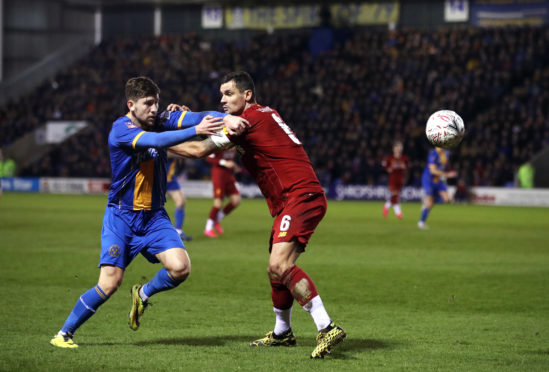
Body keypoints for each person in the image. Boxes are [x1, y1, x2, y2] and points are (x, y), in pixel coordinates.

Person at [50, 76, 248, 348]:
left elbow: (198, 117)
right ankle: (64, 333)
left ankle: (143, 293)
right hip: (121, 217)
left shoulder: (160, 119)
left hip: (154, 217)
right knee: (109, 283)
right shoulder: (121, 129)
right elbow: (161, 139)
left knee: (181, 268)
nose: (154, 109)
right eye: (147, 103)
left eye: (156, 102)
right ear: (131, 104)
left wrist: (226, 121)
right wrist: (197, 129)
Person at [170, 71, 346, 359]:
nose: (222, 100)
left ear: (247, 95)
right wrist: (190, 118)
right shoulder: (258, 116)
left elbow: (198, 150)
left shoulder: (249, 121)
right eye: (221, 94)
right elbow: (210, 132)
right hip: (292, 200)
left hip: (299, 197)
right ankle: (282, 332)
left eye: (228, 94)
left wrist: (153, 141)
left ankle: (326, 327)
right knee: (275, 269)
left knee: (279, 264)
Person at [203, 149, 241, 237]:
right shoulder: (219, 140)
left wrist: (234, 165)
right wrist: (224, 162)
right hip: (218, 175)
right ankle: (208, 228)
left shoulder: (235, 140)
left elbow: (230, 157)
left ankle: (216, 219)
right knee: (218, 203)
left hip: (229, 174)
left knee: (236, 200)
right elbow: (209, 158)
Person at [418, 146, 457, 229]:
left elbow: (443, 165)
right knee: (430, 203)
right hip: (428, 179)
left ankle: (428, 201)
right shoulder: (432, 154)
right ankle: (421, 222)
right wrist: (447, 175)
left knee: (446, 199)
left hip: (438, 179)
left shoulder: (446, 153)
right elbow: (432, 170)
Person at [166, 157, 192, 241]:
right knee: (151, 205)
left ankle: (178, 231)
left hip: (170, 178)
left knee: (181, 202)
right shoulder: (166, 147)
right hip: (160, 178)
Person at [381, 141, 409, 219]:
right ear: (394, 149)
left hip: (400, 178)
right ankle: (398, 213)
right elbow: (384, 165)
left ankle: (386, 206)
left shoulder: (404, 158)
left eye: (400, 147)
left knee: (396, 196)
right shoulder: (390, 158)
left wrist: (405, 167)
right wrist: (387, 169)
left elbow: (408, 166)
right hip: (393, 178)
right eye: (397, 147)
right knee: (395, 195)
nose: (398, 149)